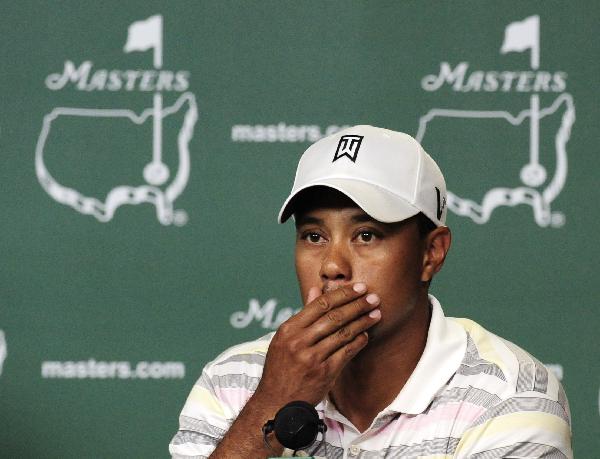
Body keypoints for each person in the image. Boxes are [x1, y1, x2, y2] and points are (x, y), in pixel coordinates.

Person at [169, 125, 572, 458]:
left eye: (366, 234)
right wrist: (270, 405)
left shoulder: (510, 395)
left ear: (431, 253)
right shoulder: (234, 379)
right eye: (313, 235)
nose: (332, 266)